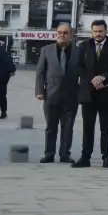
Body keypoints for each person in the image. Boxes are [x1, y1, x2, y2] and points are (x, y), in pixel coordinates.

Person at [73, 19, 108, 169]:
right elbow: (77, 67)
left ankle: (106, 157)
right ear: (92, 31)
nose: (98, 34)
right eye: (95, 31)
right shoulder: (83, 47)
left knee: (106, 128)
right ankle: (85, 157)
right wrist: (92, 80)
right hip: (88, 93)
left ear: (106, 31)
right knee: (88, 127)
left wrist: (103, 77)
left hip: (107, 92)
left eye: (100, 31)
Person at [35, 22, 79, 164]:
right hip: (51, 95)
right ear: (56, 33)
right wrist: (39, 91)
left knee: (68, 127)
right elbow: (40, 73)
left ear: (70, 35)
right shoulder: (46, 50)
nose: (62, 35)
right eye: (59, 32)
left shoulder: (78, 52)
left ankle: (65, 154)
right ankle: (49, 154)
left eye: (65, 33)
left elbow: (84, 72)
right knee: (50, 127)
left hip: (71, 96)